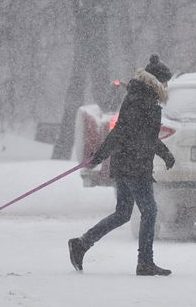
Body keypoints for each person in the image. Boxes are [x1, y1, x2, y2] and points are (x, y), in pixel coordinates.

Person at [68, 55, 176, 276]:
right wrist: (98, 157)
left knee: (123, 213)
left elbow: (133, 133)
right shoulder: (144, 101)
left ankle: (81, 244)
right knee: (150, 211)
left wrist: (164, 154)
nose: (167, 86)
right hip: (135, 165)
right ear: (156, 81)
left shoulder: (138, 97)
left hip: (126, 163)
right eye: (165, 82)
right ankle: (145, 262)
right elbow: (128, 134)